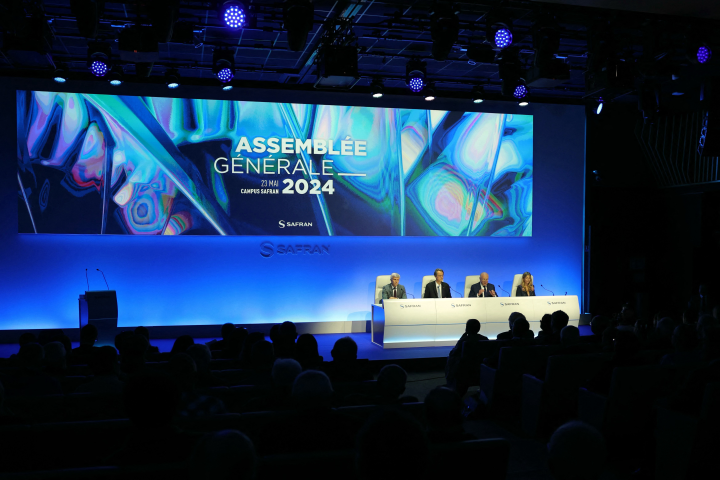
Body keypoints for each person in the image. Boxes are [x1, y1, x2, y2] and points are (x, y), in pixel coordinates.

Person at [446, 319, 489, 394]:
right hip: (480, 370)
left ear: (467, 329)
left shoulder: (464, 341)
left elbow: (452, 353)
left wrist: (460, 340)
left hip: (465, 372)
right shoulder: (485, 340)